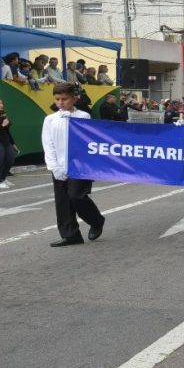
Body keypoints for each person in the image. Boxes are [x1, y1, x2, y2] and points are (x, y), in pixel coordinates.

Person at [42, 82, 106, 247]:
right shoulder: (50, 119)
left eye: (64, 98)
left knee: (76, 196)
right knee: (62, 200)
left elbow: (88, 142)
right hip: (59, 164)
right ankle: (70, 234)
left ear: (74, 98)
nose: (61, 102)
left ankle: (96, 220)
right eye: (57, 99)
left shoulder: (83, 116)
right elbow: (47, 144)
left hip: (80, 165)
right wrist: (54, 167)